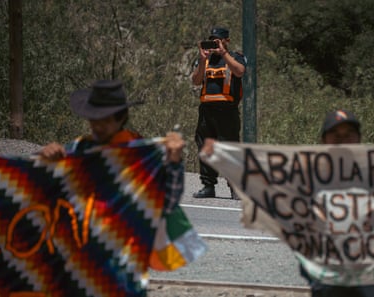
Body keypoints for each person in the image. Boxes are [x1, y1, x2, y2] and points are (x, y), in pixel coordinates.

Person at [39, 79, 188, 296]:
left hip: (124, 261)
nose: (99, 126)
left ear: (121, 118)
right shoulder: (77, 150)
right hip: (81, 258)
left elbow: (168, 200)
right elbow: (45, 190)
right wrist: (45, 160)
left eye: (106, 120)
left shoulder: (140, 157)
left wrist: (174, 163)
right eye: (95, 119)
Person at [298, 109, 374, 297]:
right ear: (324, 140)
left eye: (349, 135)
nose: (342, 140)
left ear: (358, 139)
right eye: (335, 135)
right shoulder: (311, 179)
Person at [191, 26, 247, 199]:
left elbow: (239, 71)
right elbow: (196, 81)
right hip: (207, 111)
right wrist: (202, 59)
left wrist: (224, 54)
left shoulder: (235, 57)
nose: (215, 43)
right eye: (212, 40)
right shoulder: (204, 60)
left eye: (218, 40)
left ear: (226, 41)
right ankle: (208, 186)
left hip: (227, 111)